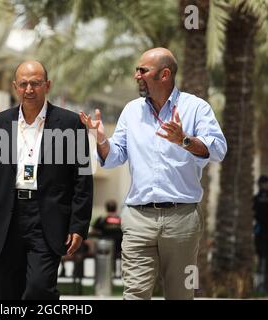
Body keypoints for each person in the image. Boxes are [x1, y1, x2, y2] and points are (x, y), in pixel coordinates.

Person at [80, 47, 227, 300]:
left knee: (180, 294)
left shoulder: (196, 108)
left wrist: (184, 140)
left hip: (182, 219)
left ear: (165, 74)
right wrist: (101, 140)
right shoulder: (131, 111)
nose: (136, 75)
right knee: (134, 294)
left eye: (143, 70)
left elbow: (218, 150)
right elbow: (115, 156)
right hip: (138, 217)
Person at [0, 60, 93, 300]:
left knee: (39, 289)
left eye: (35, 83)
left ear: (47, 85)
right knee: (6, 294)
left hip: (47, 218)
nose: (29, 89)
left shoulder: (70, 123)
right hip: (8, 216)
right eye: (23, 84)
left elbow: (83, 181)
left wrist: (78, 225)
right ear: (15, 86)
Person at [90, 200, 123, 277]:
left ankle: (109, 273)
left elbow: (93, 231)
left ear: (106, 208)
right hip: (119, 248)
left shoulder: (102, 219)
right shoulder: (120, 220)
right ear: (115, 208)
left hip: (105, 247)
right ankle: (120, 274)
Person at [253, 175, 268, 292]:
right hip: (261, 232)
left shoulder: (257, 198)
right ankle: (259, 286)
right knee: (261, 260)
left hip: (261, 232)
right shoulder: (257, 197)